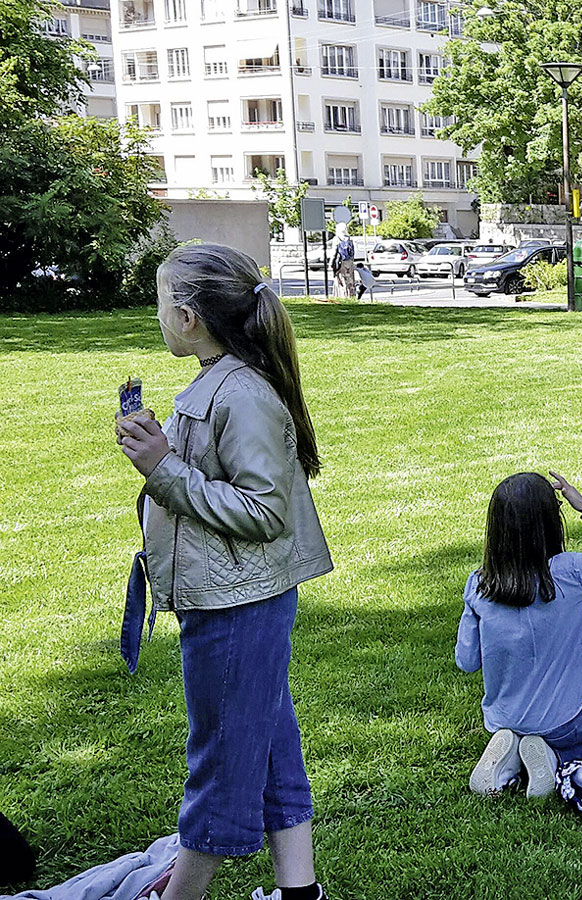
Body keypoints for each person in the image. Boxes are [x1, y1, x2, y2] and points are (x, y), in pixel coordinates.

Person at [116, 244, 334, 900]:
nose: (155, 317)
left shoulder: (241, 393)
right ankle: (300, 890)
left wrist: (164, 468)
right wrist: (166, 448)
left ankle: (182, 895)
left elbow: (264, 511)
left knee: (221, 759)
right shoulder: (222, 383)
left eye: (160, 304)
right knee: (268, 741)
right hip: (237, 596)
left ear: (187, 318)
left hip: (239, 605)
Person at [455, 471, 582, 798]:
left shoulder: (479, 584)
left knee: (520, 729)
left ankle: (511, 754)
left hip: (505, 716)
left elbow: (466, 661)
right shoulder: (572, 572)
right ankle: (551, 757)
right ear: (550, 522)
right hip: (564, 719)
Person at [332, 225, 356, 298]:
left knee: (341, 281)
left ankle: (342, 296)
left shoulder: (337, 239)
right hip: (350, 263)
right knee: (350, 281)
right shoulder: (350, 239)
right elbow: (353, 252)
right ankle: (351, 296)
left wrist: (331, 264)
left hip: (340, 263)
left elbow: (334, 253)